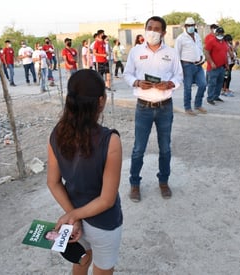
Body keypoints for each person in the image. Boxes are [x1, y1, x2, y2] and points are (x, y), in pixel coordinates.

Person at [47, 69, 123, 275]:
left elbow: (53, 182)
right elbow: (107, 200)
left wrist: (73, 215)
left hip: (74, 218)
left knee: (81, 259)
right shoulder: (110, 141)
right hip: (103, 222)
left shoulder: (57, 134)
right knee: (102, 268)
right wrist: (75, 215)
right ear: (101, 100)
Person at [123, 15, 183, 202]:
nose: (152, 31)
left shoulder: (171, 53)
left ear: (163, 32)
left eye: (157, 29)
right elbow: (127, 74)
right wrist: (137, 82)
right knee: (138, 148)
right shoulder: (135, 51)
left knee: (165, 148)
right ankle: (135, 184)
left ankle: (163, 181)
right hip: (143, 107)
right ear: (145, 28)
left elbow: (179, 75)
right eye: (150, 27)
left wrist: (171, 84)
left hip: (165, 107)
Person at [174, 16, 207, 115]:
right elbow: (177, 54)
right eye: (189, 25)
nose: (191, 27)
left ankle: (198, 104)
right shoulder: (181, 38)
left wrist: (202, 58)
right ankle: (187, 108)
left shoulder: (197, 36)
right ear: (185, 26)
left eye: (192, 25)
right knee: (188, 87)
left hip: (198, 65)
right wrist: (179, 69)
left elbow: (200, 50)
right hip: (186, 66)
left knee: (203, 84)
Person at [204, 26, 229, 105]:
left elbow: (225, 54)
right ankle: (210, 98)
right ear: (216, 33)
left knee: (219, 82)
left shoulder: (224, 43)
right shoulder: (211, 41)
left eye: (222, 33)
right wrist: (211, 62)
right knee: (212, 83)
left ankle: (216, 96)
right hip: (213, 67)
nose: (220, 34)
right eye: (219, 33)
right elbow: (206, 52)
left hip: (222, 67)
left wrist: (227, 64)